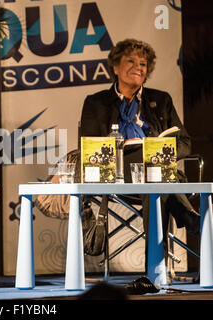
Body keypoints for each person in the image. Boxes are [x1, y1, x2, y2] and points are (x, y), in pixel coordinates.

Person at [79, 38, 200, 242]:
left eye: (143, 64)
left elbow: (185, 143)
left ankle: (154, 270)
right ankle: (191, 219)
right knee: (158, 179)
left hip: (156, 172)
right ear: (115, 67)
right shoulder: (96, 102)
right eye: (131, 62)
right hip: (117, 175)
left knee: (156, 185)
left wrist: (158, 152)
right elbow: (90, 148)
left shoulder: (161, 100)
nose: (138, 68)